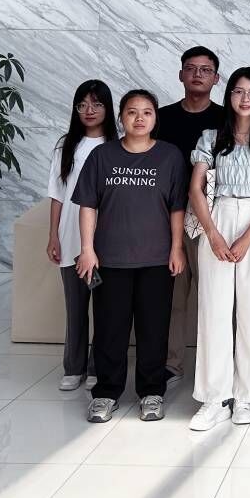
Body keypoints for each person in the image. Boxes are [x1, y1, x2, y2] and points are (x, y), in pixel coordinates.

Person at [73, 89, 188, 424]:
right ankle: (106, 394)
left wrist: (177, 247)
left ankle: (151, 392)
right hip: (110, 259)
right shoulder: (102, 155)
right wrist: (87, 249)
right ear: (121, 117)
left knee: (154, 329)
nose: (140, 118)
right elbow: (87, 205)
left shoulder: (169, 156)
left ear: (155, 118)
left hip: (156, 259)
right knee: (110, 328)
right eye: (132, 112)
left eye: (147, 112)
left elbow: (177, 207)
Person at [188, 68, 250, 430]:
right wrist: (213, 234)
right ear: (228, 95)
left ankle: (245, 395)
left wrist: (247, 238)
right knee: (213, 311)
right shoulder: (211, 137)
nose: (245, 98)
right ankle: (214, 398)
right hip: (217, 216)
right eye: (238, 91)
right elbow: (196, 188)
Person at [154, 46, 226, 384]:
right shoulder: (161, 118)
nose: (198, 74)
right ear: (181, 74)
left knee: (216, 295)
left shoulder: (227, 119)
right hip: (169, 220)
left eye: (206, 69)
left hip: (213, 221)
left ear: (216, 78)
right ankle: (171, 363)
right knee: (172, 297)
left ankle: (218, 366)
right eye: (191, 68)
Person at [47, 80, 118, 391]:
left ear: (108, 108)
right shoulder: (66, 146)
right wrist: (54, 235)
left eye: (96, 104)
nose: (89, 111)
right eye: (83, 105)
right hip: (71, 239)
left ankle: (96, 368)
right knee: (76, 308)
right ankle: (73, 368)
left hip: (105, 241)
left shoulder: (116, 145)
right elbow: (57, 194)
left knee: (104, 309)